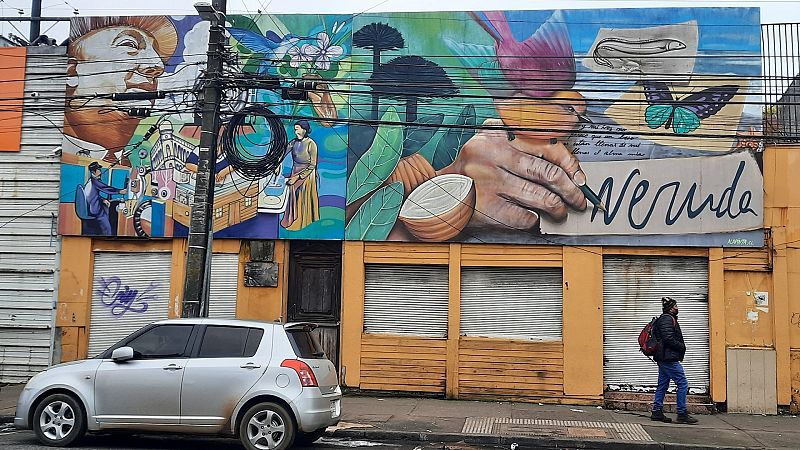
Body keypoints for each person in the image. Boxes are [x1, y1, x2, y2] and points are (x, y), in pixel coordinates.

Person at [63, 17, 179, 166]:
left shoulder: (133, 167)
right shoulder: (51, 157)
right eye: (130, 45)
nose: (158, 66)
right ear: (72, 73)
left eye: (156, 54)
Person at [651, 296, 699, 425]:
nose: (677, 308)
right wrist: (681, 346)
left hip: (664, 357)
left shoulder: (667, 319)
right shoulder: (667, 319)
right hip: (668, 358)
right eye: (675, 306)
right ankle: (682, 413)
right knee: (682, 383)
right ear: (670, 309)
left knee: (662, 384)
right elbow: (668, 338)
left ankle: (657, 411)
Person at [280, 120, 320, 230]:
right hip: (295, 170)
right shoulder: (294, 142)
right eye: (295, 129)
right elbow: (283, 153)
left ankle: (302, 221)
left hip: (307, 174)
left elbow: (312, 165)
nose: (295, 131)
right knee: (292, 193)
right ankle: (291, 219)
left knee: (302, 195)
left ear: (304, 130)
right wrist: (276, 164)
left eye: (297, 128)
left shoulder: (311, 144)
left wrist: (298, 177)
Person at [83, 161, 128, 235]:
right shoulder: (95, 182)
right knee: (107, 227)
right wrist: (120, 191)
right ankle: (108, 236)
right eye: (98, 170)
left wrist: (103, 200)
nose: (100, 171)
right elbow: (106, 188)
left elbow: (93, 195)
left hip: (93, 206)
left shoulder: (91, 181)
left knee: (107, 208)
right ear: (93, 172)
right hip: (95, 209)